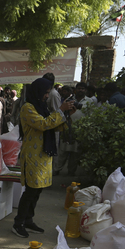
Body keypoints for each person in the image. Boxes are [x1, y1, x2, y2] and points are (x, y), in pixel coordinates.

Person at [12, 78, 75, 238]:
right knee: (31, 190)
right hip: (33, 155)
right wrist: (60, 110)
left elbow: (54, 126)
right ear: (38, 92)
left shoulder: (41, 107)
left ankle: (28, 220)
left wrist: (66, 114)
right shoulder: (27, 108)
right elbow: (43, 124)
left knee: (38, 189)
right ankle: (18, 223)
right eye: (46, 93)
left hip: (44, 154)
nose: (47, 96)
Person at [54, 86, 79, 176]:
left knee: (75, 152)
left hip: (79, 130)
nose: (63, 92)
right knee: (63, 151)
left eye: (65, 91)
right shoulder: (67, 100)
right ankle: (57, 169)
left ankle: (71, 171)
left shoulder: (89, 101)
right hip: (66, 128)